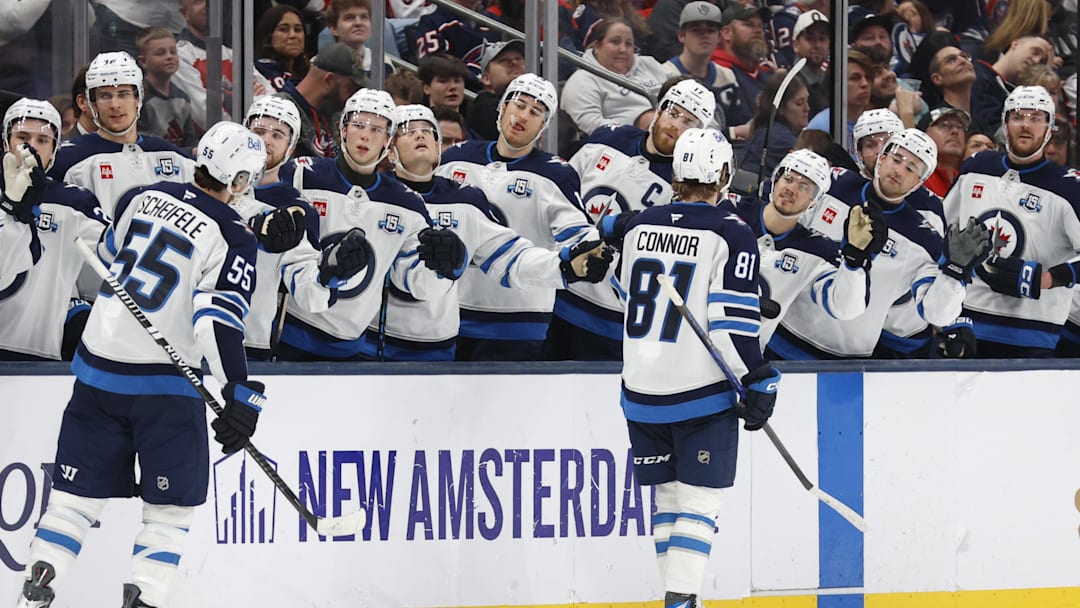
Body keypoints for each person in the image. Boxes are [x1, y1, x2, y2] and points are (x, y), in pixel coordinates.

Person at [13, 122, 268, 608]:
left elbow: (110, 254)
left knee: (70, 505)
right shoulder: (234, 235)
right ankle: (145, 599)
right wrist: (238, 387)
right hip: (165, 393)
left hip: (96, 375)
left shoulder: (143, 195)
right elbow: (215, 321)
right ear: (238, 180)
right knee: (167, 517)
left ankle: (37, 588)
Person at [615, 127, 779, 608]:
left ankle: (680, 600)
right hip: (698, 391)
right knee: (701, 504)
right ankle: (682, 599)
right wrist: (760, 376)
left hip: (641, 388)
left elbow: (624, 296)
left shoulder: (640, 225)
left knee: (668, 501)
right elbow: (729, 326)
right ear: (724, 173)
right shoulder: (732, 231)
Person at [361, 104, 611, 360]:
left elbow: (509, 256)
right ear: (389, 151)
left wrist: (563, 266)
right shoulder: (370, 199)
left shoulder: (466, 200)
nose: (420, 135)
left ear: (439, 149)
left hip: (434, 348)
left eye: (429, 131)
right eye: (408, 131)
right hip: (369, 343)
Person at [769, 128, 991, 359]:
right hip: (780, 335)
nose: (899, 170)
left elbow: (936, 314)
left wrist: (955, 274)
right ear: (882, 158)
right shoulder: (832, 184)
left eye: (911, 168)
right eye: (896, 159)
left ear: (918, 183)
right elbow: (780, 229)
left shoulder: (924, 239)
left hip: (845, 359)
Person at [276, 88, 463, 361]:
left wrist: (445, 269)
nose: (365, 135)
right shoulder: (301, 174)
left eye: (377, 129)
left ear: (388, 141)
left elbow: (417, 282)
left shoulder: (407, 204)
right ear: (343, 130)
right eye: (359, 125)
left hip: (351, 349)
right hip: (286, 334)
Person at [548, 77, 714, 360]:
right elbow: (559, 197)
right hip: (555, 292)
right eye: (673, 113)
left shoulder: (688, 187)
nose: (676, 125)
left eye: (689, 122)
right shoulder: (608, 139)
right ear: (658, 110)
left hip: (611, 317)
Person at [438, 73, 593, 360]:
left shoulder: (555, 174)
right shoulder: (456, 159)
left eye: (535, 112)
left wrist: (591, 250)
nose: (522, 115)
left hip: (518, 324)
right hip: (450, 314)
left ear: (543, 126)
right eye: (518, 105)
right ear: (502, 108)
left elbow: (579, 238)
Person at [943, 85, 1080, 357]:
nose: (1026, 125)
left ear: (1049, 128)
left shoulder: (1069, 188)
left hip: (1033, 335)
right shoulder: (976, 167)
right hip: (965, 323)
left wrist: (1048, 278)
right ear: (1005, 124)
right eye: (1018, 117)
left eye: (1036, 118)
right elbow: (941, 233)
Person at [231, 96, 355, 360]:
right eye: (259, 131)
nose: (266, 140)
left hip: (248, 342)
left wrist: (329, 277)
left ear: (290, 148)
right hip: (187, 334)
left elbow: (311, 297)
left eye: (278, 134)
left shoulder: (297, 209)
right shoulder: (212, 181)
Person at [734, 149, 877, 347]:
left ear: (814, 202)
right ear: (775, 180)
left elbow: (845, 309)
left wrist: (854, 259)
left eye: (804, 187)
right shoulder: (730, 211)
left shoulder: (816, 250)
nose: (792, 188)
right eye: (788, 179)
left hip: (743, 360)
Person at [0, 99, 106, 362]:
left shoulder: (76, 204)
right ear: (5, 143)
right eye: (22, 137)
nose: (30, 147)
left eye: (42, 140)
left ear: (54, 150)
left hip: (43, 352)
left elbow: (112, 260)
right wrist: (11, 208)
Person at [49, 52, 195, 220]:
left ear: (138, 98)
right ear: (91, 103)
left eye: (124, 94)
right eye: (105, 96)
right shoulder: (66, 160)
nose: (115, 105)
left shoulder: (171, 155)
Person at [562, 18, 670, 135]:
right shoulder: (582, 80)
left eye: (628, 44)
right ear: (597, 46)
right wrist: (636, 134)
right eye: (615, 42)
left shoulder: (649, 64)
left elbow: (681, 88)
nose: (623, 49)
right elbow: (591, 125)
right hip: (622, 144)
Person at [273, 42, 366, 159]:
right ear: (329, 80)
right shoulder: (278, 111)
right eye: (350, 88)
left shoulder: (334, 113)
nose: (353, 96)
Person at [659, 2, 731, 133]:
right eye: (696, 30)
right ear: (681, 35)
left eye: (711, 30)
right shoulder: (664, 74)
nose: (704, 35)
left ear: (719, 36)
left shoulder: (727, 76)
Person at [738, 69, 810, 180]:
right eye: (799, 103)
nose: (807, 108)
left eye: (807, 101)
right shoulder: (779, 139)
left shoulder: (770, 130)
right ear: (780, 108)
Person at [135, 27, 199, 151]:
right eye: (160, 53)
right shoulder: (139, 98)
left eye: (173, 52)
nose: (169, 57)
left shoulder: (182, 98)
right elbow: (142, 144)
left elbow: (190, 140)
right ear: (143, 61)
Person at [467, 40, 526, 141]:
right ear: (486, 79)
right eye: (503, 61)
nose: (514, 62)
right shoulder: (485, 106)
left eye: (519, 59)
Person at [254, 5, 311, 93]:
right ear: (268, 35)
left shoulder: (311, 75)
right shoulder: (255, 73)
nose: (293, 35)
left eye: (298, 29)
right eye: (284, 29)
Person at [919, 105, 971, 197]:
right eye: (945, 125)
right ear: (924, 134)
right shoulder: (916, 177)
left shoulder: (969, 181)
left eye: (960, 127)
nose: (955, 131)